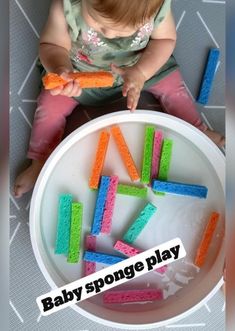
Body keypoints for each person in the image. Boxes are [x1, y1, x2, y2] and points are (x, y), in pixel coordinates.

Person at [14, 0, 225, 198]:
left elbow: (165, 40)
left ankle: (196, 130)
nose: (111, 34)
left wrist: (142, 72)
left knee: (172, 86)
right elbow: (52, 45)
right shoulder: (67, 7)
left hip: (138, 69)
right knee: (50, 105)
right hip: (80, 74)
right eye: (100, 24)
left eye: (124, 30)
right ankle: (39, 161)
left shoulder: (157, 7)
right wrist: (62, 70)